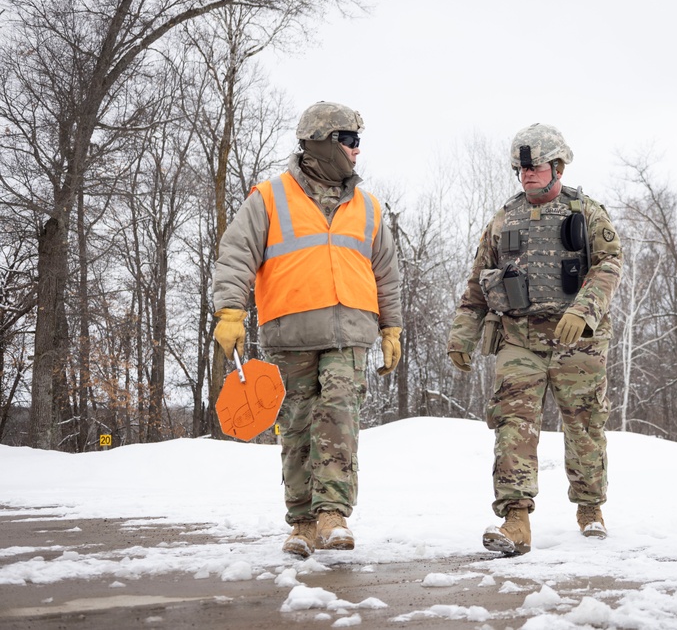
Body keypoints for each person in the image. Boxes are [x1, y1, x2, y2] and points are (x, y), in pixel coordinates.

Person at [212, 101, 402, 556]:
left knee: (338, 417)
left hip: (350, 335)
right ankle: (301, 523)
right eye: (350, 141)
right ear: (324, 143)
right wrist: (230, 312)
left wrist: (392, 327)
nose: (358, 152)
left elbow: (388, 273)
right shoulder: (270, 198)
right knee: (296, 426)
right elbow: (236, 253)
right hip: (290, 334)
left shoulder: (369, 207)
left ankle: (332, 514)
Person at [447, 123, 623, 555]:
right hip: (519, 338)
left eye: (536, 166)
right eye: (521, 168)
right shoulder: (504, 219)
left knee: (584, 425)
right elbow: (476, 284)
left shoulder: (587, 213)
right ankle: (515, 519)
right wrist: (462, 335)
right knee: (513, 424)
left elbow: (609, 264)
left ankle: (589, 508)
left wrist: (583, 312)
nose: (527, 174)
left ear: (557, 167)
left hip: (578, 342)